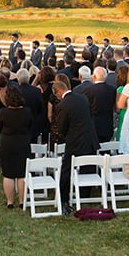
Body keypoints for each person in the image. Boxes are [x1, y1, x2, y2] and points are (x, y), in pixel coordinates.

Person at [53, 79, 99, 214]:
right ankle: (85, 195)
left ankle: (64, 198)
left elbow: (61, 127)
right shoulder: (83, 97)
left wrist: (65, 135)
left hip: (75, 141)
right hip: (89, 137)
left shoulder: (63, 105)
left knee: (67, 168)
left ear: (59, 92)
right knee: (89, 165)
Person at [0, 84, 32, 209]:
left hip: (7, 144)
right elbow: (30, 125)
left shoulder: (3, 112)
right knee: (22, 174)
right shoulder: (27, 112)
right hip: (22, 142)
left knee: (8, 174)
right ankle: (22, 201)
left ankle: (10, 201)